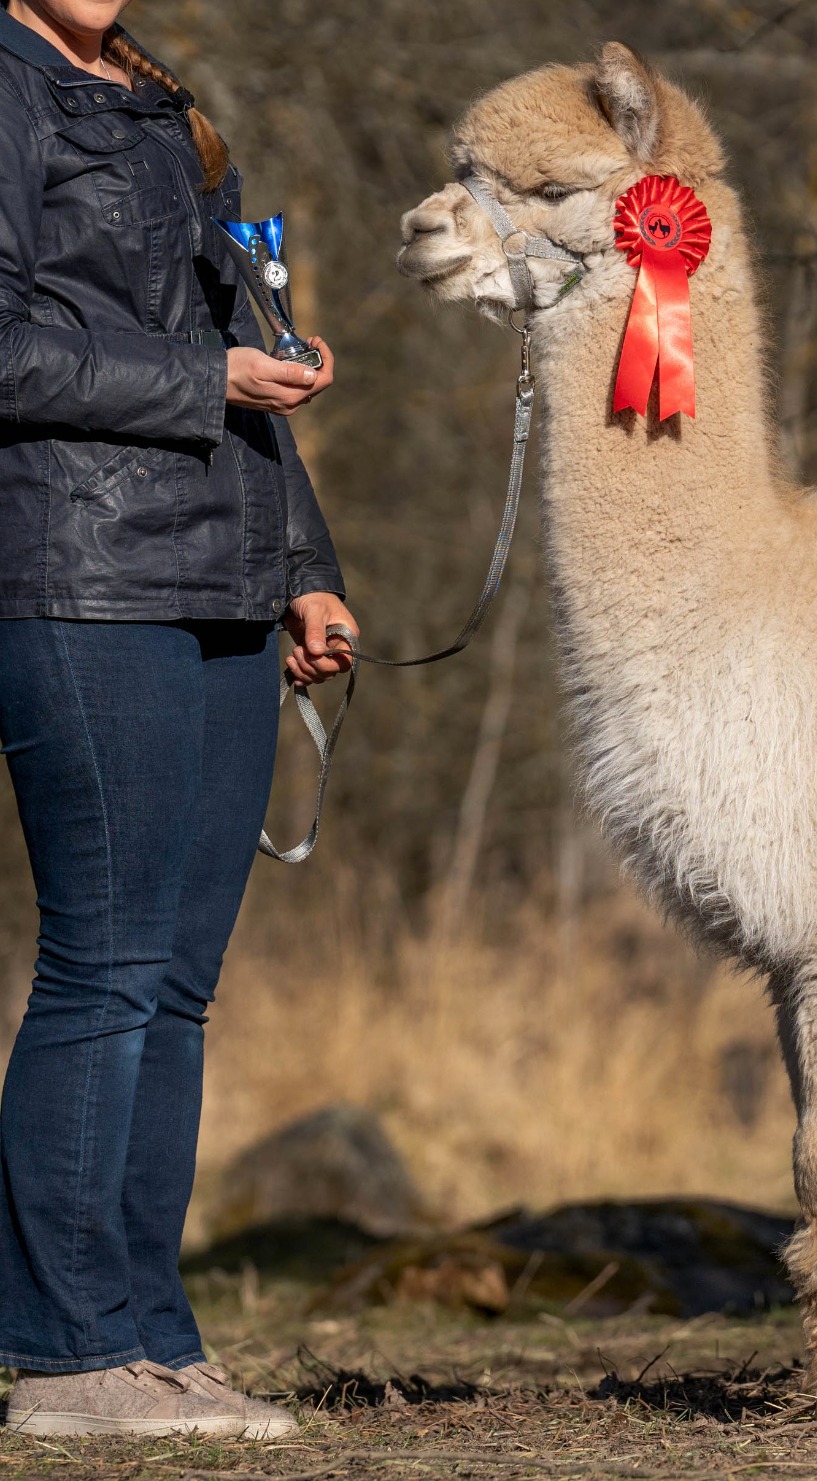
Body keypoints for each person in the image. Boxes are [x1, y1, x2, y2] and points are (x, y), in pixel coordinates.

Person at [0, 0, 358, 1439]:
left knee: (181, 982)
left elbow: (242, 344)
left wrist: (306, 567)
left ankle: (150, 1335)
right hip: (78, 576)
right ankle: (66, 1353)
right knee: (108, 964)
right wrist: (201, 381)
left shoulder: (158, 101)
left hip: (223, 567)